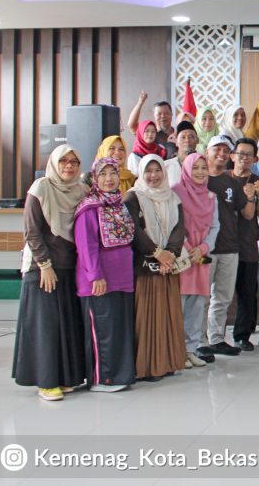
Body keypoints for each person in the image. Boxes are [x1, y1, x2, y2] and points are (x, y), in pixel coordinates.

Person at [12, 145, 88, 402]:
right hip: (42, 268)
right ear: (54, 163)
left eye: (74, 162)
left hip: (69, 267)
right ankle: (46, 381)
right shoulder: (41, 188)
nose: (69, 166)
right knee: (46, 326)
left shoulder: (81, 191)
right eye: (64, 161)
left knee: (66, 325)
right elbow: (32, 231)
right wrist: (45, 265)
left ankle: (64, 377)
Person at [74, 157, 136, 392]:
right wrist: (95, 275)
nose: (109, 179)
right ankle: (102, 379)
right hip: (99, 281)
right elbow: (86, 245)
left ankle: (119, 376)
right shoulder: (89, 207)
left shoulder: (120, 204)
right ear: (94, 178)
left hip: (122, 279)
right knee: (103, 331)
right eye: (103, 174)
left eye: (113, 173)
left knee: (119, 330)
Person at [124, 154, 186, 380]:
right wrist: (157, 253)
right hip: (144, 267)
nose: (153, 175)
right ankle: (148, 366)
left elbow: (179, 228)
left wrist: (170, 255)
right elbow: (133, 230)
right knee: (148, 316)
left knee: (168, 315)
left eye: (157, 170)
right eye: (148, 171)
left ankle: (168, 362)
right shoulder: (133, 197)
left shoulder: (173, 197)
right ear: (141, 173)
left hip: (167, 266)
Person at [201, 135, 254, 358]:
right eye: (217, 149)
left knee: (222, 298)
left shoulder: (232, 182)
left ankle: (216, 339)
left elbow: (248, 214)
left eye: (226, 150)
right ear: (207, 152)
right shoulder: (198, 179)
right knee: (203, 298)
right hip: (205, 248)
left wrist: (251, 197)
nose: (221, 154)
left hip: (230, 247)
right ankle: (199, 342)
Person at [172, 153, 219, 367]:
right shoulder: (176, 192)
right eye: (195, 167)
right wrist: (188, 248)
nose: (200, 172)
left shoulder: (211, 196)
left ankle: (190, 351)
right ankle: (176, 353)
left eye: (203, 167)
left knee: (197, 306)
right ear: (186, 169)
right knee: (178, 307)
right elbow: (172, 223)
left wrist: (203, 248)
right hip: (182, 257)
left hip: (201, 259)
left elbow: (215, 226)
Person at [229, 138, 259, 351]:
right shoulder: (223, 179)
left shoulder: (257, 181)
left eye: (248, 155)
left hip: (248, 245)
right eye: (240, 154)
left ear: (255, 159)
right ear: (232, 156)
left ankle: (242, 336)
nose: (244, 158)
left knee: (247, 293)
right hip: (224, 244)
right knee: (222, 293)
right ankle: (213, 336)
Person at [127, 92, 177, 156]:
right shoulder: (149, 134)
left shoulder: (178, 134)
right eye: (159, 114)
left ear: (171, 114)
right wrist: (140, 103)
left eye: (166, 113)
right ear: (154, 116)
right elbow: (132, 125)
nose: (163, 116)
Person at [165, 121, 199, 186]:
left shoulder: (204, 165)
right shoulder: (166, 166)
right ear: (176, 142)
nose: (187, 140)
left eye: (191, 136)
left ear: (197, 140)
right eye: (183, 137)